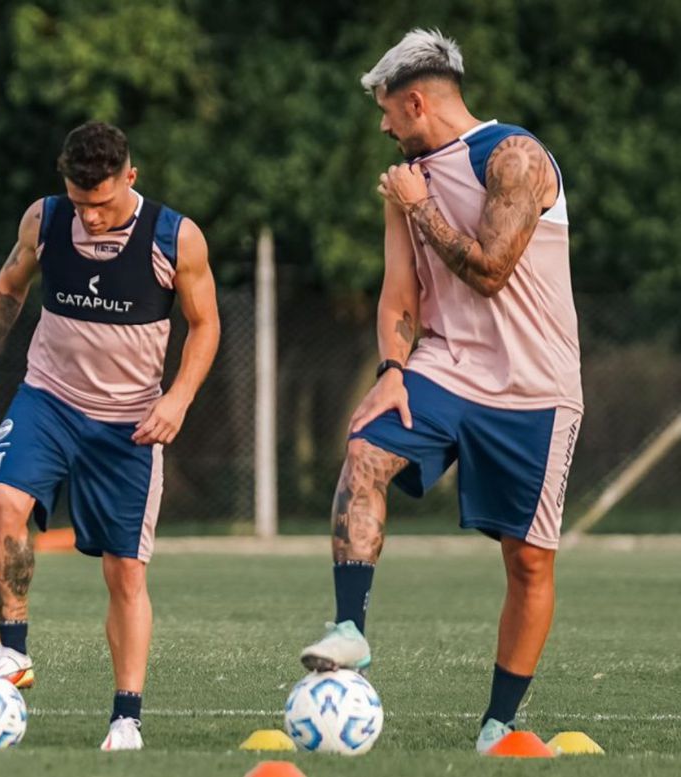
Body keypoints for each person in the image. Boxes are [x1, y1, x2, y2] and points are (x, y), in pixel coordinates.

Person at [298, 29, 583, 754]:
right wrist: (391, 368)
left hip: (534, 384)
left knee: (528, 560)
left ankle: (498, 726)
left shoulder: (512, 157)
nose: (385, 127)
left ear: (415, 100)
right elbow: (400, 298)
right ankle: (350, 630)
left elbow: (490, 269)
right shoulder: (406, 179)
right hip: (446, 367)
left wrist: (419, 204)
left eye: (387, 113)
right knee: (364, 449)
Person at [0, 121, 220, 750]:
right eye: (80, 202)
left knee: (125, 573)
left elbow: (204, 326)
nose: (91, 218)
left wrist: (178, 399)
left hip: (129, 422)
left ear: (130, 176)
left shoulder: (174, 237)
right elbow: (8, 290)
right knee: (4, 504)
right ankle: (12, 652)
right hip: (48, 400)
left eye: (101, 204)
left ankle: (126, 717)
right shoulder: (45, 221)